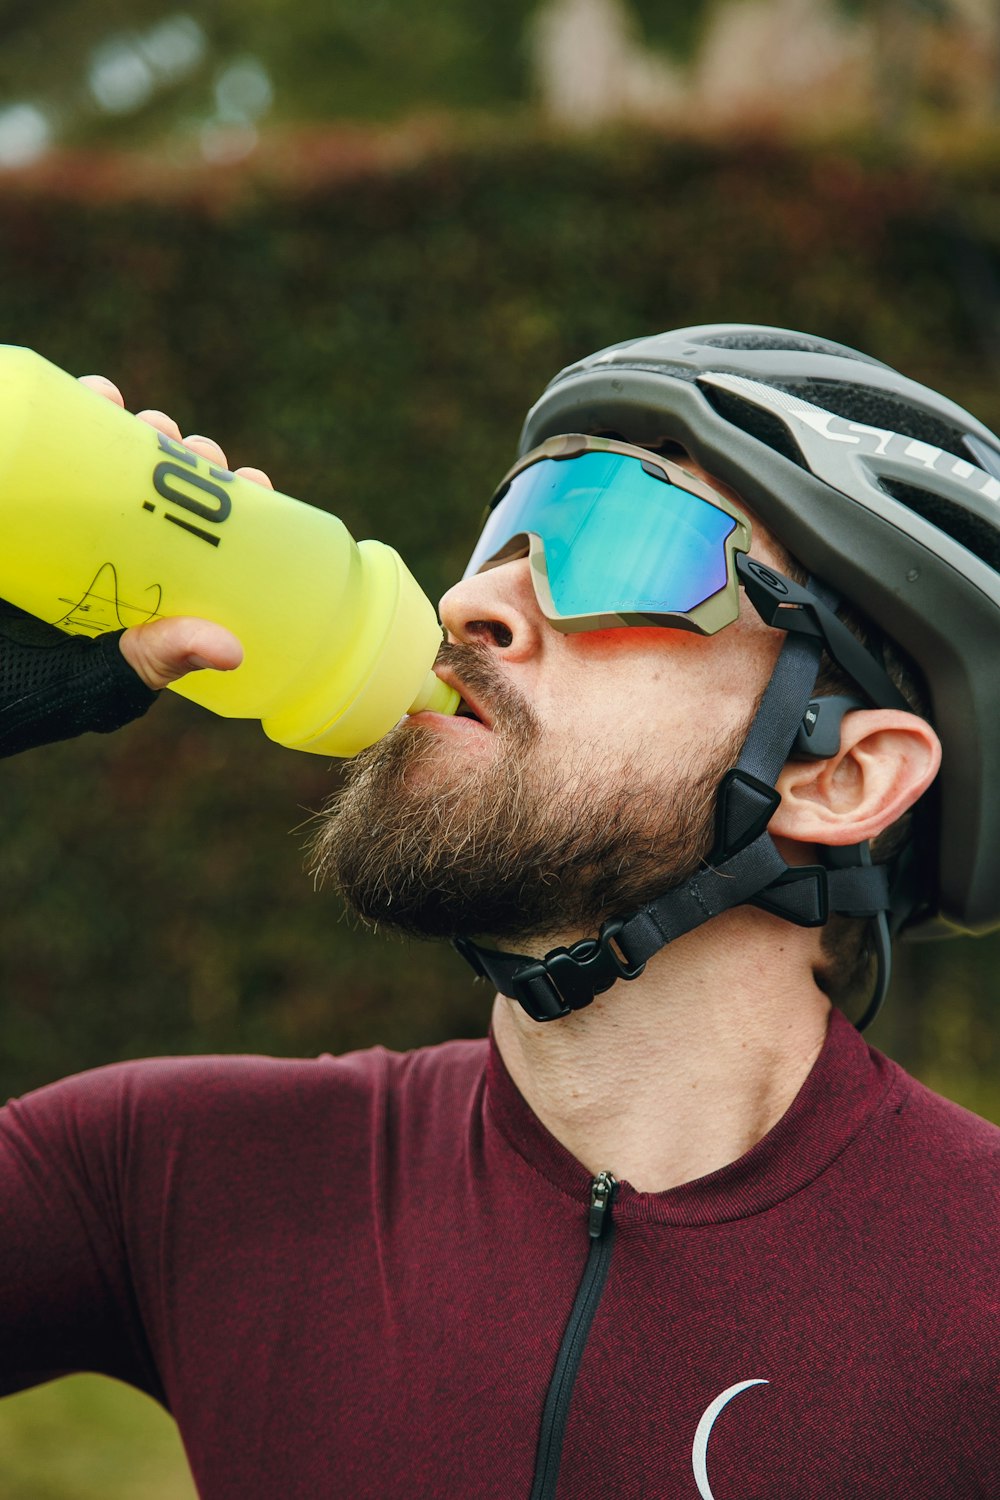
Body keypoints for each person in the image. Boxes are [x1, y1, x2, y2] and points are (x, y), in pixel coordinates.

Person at [1, 325, 997, 1499]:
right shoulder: (172, 1171)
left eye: (626, 542)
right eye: (507, 534)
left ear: (840, 778)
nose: (470, 600)